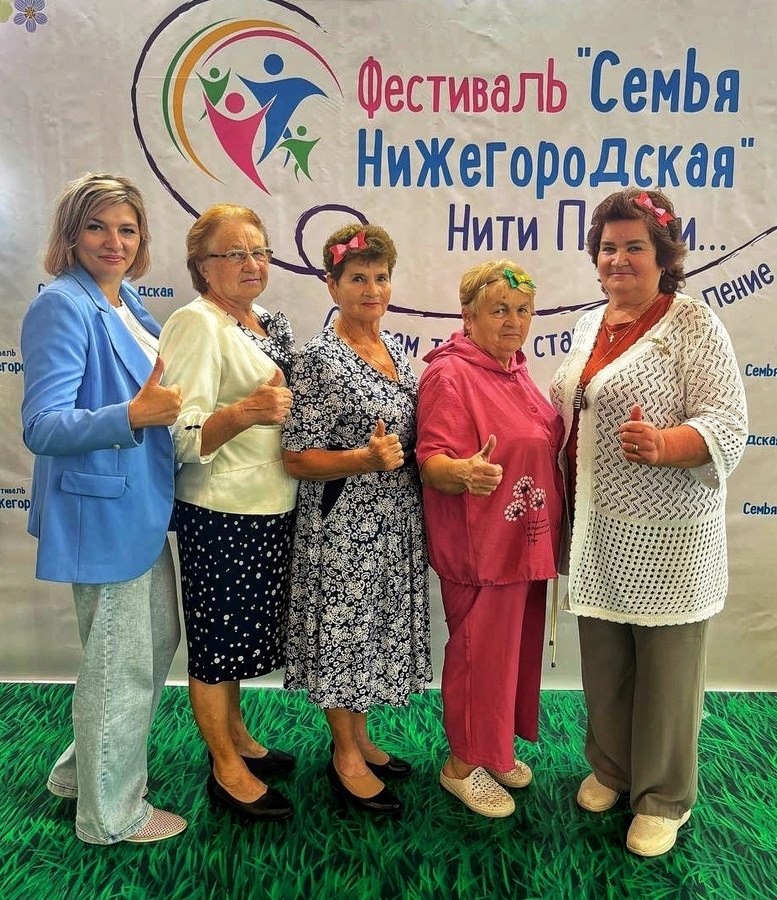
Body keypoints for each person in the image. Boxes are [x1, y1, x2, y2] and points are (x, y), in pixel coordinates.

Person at [549, 187, 748, 857]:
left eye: (634, 246)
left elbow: (727, 424)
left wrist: (666, 444)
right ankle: (612, 768)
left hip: (669, 539)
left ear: (664, 255)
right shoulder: (588, 325)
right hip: (596, 528)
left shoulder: (693, 324)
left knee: (666, 668)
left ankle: (663, 796)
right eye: (608, 247)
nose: (618, 259)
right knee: (605, 658)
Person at [20, 173, 186, 844]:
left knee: (150, 644)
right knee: (120, 665)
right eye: (96, 226)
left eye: (127, 229)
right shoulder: (62, 305)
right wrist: (133, 416)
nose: (113, 241)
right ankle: (111, 817)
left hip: (138, 509)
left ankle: (79, 773)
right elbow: (42, 426)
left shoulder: (124, 303)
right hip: (103, 515)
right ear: (70, 234)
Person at [282, 223, 431, 817]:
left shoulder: (395, 351)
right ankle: (344, 754)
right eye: (358, 278)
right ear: (332, 285)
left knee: (369, 634)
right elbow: (296, 457)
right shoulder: (317, 359)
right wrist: (362, 459)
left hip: (394, 523)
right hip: (343, 525)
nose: (373, 289)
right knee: (344, 636)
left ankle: (362, 738)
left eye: (381, 277)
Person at [158, 204, 298, 822]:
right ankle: (225, 767)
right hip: (220, 510)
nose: (251, 263)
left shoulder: (260, 321)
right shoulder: (195, 323)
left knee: (240, 638)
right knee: (217, 646)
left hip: (271, 503)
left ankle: (239, 737)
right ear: (201, 265)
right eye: (233, 253)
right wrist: (245, 412)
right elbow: (178, 435)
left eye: (259, 251)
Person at [415, 261, 564, 818]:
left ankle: (493, 751)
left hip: (524, 542)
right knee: (478, 656)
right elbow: (431, 460)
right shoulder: (450, 374)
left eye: (522, 310)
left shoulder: (515, 370)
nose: (513, 321)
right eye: (499, 310)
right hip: (480, 548)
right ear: (468, 315)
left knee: (507, 656)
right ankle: (461, 766)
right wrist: (464, 472)